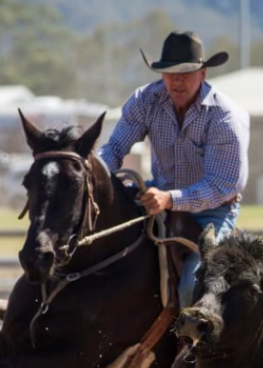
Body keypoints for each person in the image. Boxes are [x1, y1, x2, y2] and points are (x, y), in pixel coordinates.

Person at [97, 30, 250, 307]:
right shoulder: (146, 100)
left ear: (202, 74)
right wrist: (93, 174)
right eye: (170, 73)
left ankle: (194, 336)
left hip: (211, 212)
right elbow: (115, 147)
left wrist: (169, 199)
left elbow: (222, 186)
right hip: (158, 196)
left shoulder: (225, 118)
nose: (177, 80)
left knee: (193, 284)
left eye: (185, 73)